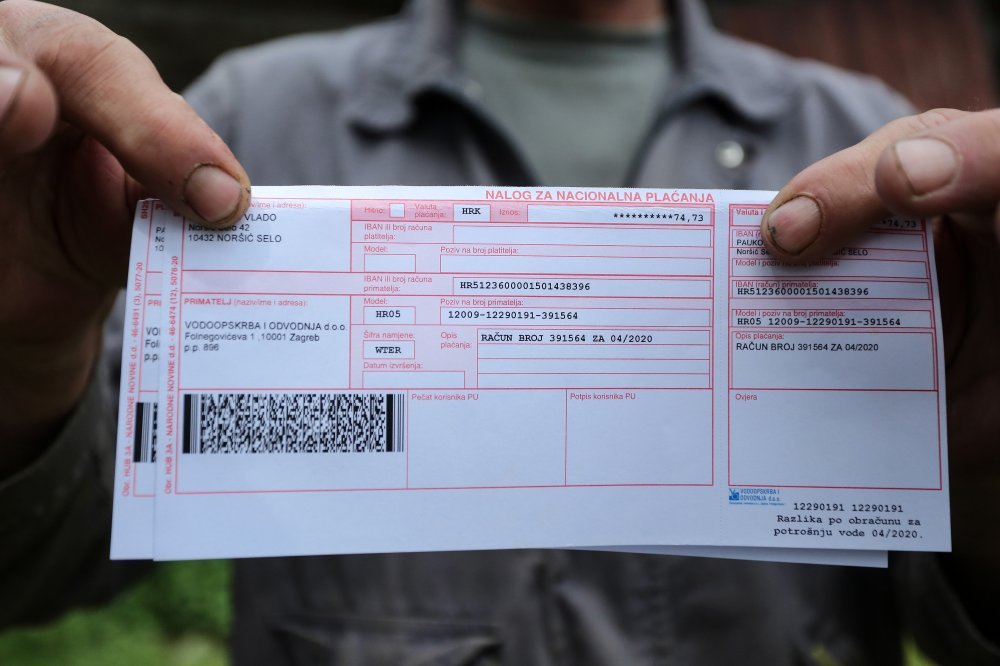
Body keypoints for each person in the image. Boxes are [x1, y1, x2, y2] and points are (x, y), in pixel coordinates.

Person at [1, 0, 998, 662]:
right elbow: (45, 560)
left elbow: (957, 623)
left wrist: (989, 474)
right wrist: (28, 357)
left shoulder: (857, 135)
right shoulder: (249, 118)